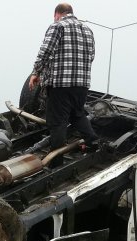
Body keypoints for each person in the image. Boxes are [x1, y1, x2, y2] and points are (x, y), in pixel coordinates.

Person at [29, 3, 98, 154]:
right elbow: (91, 56)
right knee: (77, 114)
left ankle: (56, 160)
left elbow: (45, 52)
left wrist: (36, 72)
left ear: (57, 14)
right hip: (82, 85)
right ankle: (93, 141)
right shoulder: (88, 30)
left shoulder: (58, 26)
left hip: (60, 84)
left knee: (57, 122)